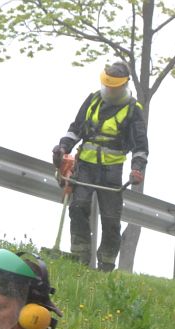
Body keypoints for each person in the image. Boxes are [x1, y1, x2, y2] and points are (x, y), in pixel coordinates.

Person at [52, 60, 149, 272]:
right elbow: (75, 129)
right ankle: (80, 258)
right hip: (85, 166)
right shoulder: (94, 99)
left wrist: (137, 169)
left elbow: (140, 146)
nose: (110, 91)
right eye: (108, 87)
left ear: (124, 85)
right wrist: (63, 147)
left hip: (111, 172)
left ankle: (106, 264)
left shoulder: (133, 110)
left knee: (111, 219)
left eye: (114, 88)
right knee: (77, 207)